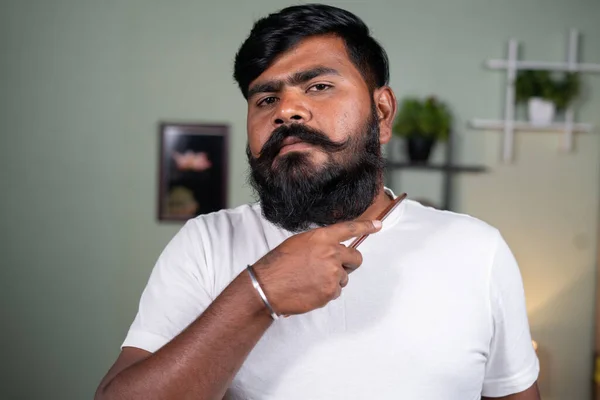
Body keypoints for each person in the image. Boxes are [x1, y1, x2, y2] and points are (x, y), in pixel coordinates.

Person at [95, 4, 540, 399]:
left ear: (382, 113)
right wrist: (257, 293)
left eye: (319, 86)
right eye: (266, 98)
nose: (286, 111)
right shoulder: (206, 244)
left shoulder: (477, 250)